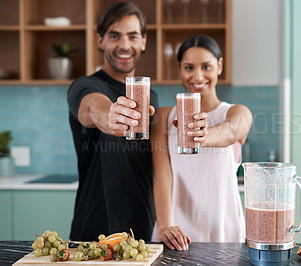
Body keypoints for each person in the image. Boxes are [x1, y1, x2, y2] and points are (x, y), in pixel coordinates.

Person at [151, 35, 253, 250]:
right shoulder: (164, 118)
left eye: (206, 66)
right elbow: (162, 175)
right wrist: (163, 226)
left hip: (224, 234)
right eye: (189, 67)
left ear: (219, 66)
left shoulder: (236, 112)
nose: (197, 76)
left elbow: (230, 131)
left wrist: (202, 135)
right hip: (176, 235)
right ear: (180, 68)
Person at [67, 2, 158, 242]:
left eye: (132, 36)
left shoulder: (151, 96)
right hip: (92, 229)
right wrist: (110, 116)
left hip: (142, 231)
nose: (125, 45)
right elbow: (92, 108)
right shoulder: (84, 86)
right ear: (100, 41)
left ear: (143, 41)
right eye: (114, 36)